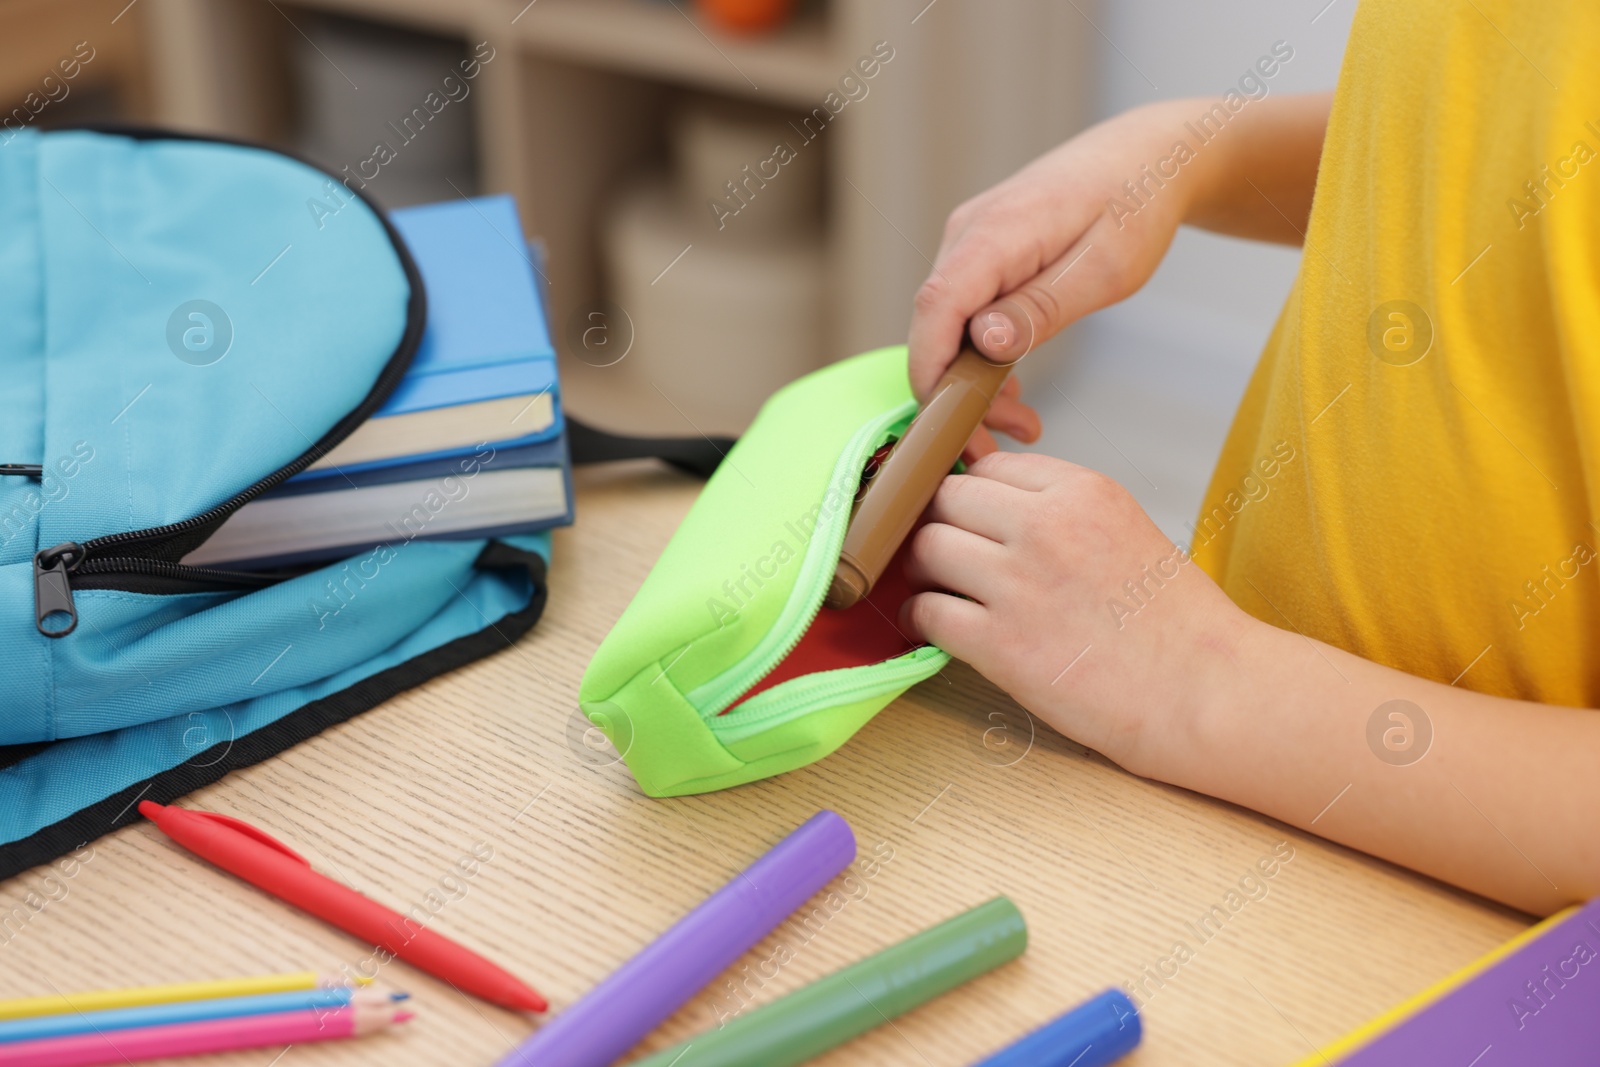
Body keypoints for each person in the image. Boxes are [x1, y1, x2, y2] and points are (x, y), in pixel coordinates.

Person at [899, 0, 1599, 917]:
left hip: (1455, 929)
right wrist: (1188, 153)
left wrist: (1200, 678)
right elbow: (1508, 145)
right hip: (1231, 800)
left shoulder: (1199, 687)